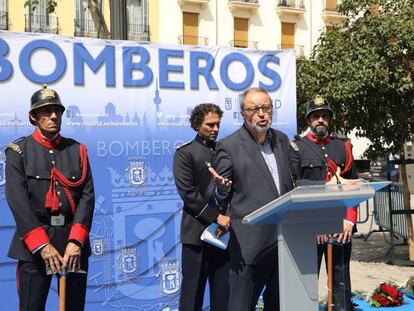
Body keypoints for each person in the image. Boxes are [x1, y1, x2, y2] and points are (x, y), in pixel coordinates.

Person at [5, 84, 95, 310]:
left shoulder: (77, 150)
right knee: (31, 306)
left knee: (74, 307)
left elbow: (87, 196)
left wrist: (76, 241)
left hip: (72, 244)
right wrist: (42, 246)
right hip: (35, 245)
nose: (53, 116)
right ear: (33, 116)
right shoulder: (19, 151)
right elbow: (18, 201)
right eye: (46, 111)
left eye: (58, 110)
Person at [207, 87, 294, 311]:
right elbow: (214, 194)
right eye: (255, 109)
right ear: (243, 114)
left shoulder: (282, 140)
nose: (262, 114)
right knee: (241, 306)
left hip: (284, 242)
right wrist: (221, 190)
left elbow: (290, 184)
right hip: (249, 246)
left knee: (279, 305)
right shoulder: (229, 146)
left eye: (266, 108)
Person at [289, 95, 359, 311]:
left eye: (324, 116)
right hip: (310, 227)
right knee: (307, 280)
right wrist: (313, 223)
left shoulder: (343, 146)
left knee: (340, 280)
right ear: (309, 121)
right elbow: (293, 186)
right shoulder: (297, 147)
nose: (321, 120)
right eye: (316, 116)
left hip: (340, 225)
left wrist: (349, 220)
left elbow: (353, 185)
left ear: (329, 119)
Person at [173, 103, 230, 311]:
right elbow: (188, 194)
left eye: (218, 124)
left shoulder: (225, 151)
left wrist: (227, 217)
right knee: (191, 297)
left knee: (223, 297)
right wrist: (217, 217)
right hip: (196, 236)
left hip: (224, 236)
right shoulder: (184, 153)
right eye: (210, 125)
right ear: (197, 125)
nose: (215, 129)